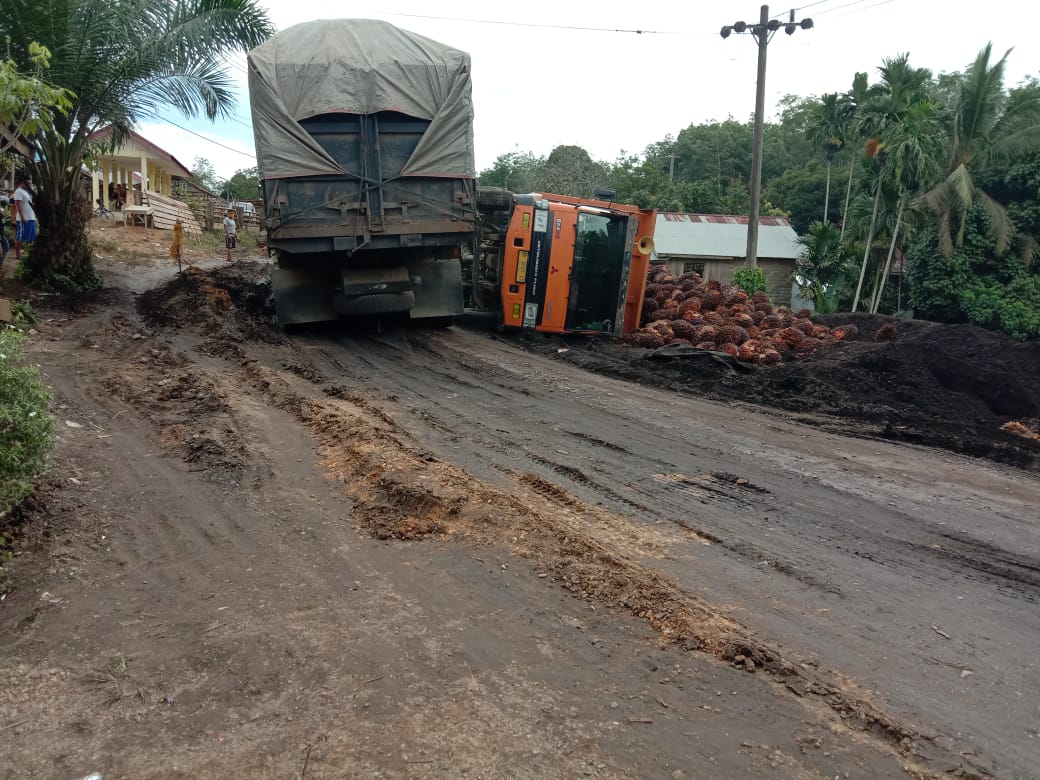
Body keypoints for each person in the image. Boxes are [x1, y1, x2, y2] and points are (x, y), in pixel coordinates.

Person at [12, 172, 37, 262]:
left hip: (31, 217)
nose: (30, 185)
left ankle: (27, 252)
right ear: (23, 182)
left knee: (31, 236)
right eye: (28, 183)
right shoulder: (18, 191)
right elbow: (17, 205)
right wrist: (22, 217)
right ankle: (17, 255)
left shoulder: (26, 192)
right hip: (24, 219)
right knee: (20, 237)